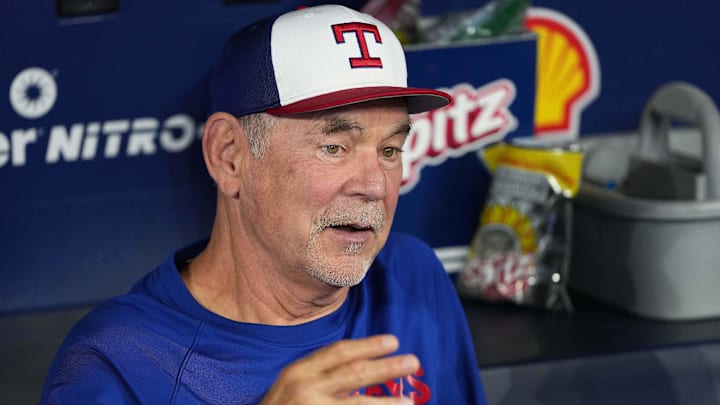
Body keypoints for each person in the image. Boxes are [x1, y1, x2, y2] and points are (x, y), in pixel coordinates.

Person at [41, 4, 487, 404]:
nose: (374, 185)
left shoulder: (411, 275)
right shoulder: (119, 363)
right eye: (335, 147)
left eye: (389, 150)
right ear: (229, 156)